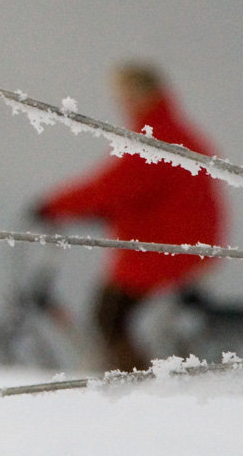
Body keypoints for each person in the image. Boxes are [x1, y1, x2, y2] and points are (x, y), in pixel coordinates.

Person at [33, 62, 227, 372]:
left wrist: (51, 206)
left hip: (168, 245)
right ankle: (140, 375)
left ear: (144, 93)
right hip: (178, 239)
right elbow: (134, 190)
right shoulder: (170, 129)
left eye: (126, 94)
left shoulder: (158, 135)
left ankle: (141, 385)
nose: (122, 102)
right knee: (117, 315)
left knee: (109, 314)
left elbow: (113, 185)